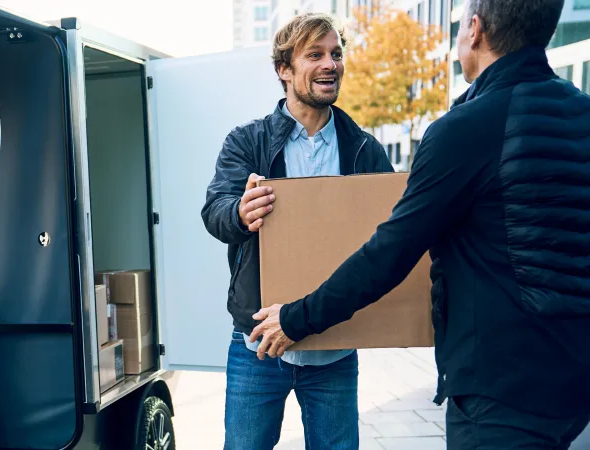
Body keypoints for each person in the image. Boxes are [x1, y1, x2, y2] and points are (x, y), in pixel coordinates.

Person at [250, 0, 590, 448]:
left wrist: (296, 318)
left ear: (474, 30)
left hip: (501, 390)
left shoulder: (465, 129)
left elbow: (389, 252)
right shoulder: (580, 113)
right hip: (576, 382)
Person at [200, 12, 394, 450]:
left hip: (334, 349)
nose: (331, 64)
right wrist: (238, 213)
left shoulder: (364, 149)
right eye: (315, 55)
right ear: (284, 69)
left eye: (336, 54)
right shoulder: (247, 142)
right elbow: (214, 211)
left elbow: (394, 238)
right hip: (259, 347)